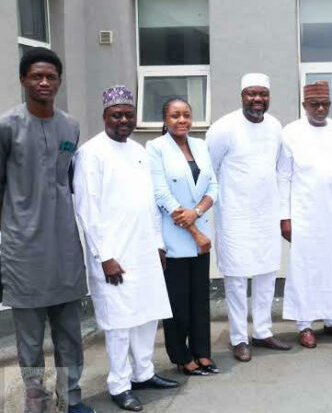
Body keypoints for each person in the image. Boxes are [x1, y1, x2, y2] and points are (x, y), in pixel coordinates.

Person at [73, 85, 178, 412]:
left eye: (128, 115)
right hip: (113, 254)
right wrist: (104, 256)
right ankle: (119, 384)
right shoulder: (90, 153)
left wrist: (158, 244)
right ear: (105, 116)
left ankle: (143, 373)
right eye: (116, 115)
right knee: (119, 323)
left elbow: (150, 203)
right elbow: (87, 209)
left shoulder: (139, 150)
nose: (123, 120)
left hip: (144, 249)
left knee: (146, 315)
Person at [0, 48, 94, 413]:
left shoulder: (70, 127)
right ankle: (36, 401)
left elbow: (66, 180)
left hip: (65, 248)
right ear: (23, 79)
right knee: (30, 340)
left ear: (59, 81)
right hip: (23, 250)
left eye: (50, 77)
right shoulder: (7, 126)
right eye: (36, 76)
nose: (44, 82)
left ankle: (70, 398)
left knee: (70, 334)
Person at [206, 73, 290, 362]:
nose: (257, 99)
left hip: (266, 212)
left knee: (267, 273)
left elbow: (277, 167)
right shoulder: (223, 128)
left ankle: (263, 332)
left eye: (262, 94)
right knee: (237, 278)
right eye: (251, 94)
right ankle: (239, 337)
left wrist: (282, 212)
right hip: (235, 214)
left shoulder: (275, 126)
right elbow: (210, 171)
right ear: (242, 95)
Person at [278, 81, 332, 348]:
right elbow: (283, 176)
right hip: (304, 214)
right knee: (305, 268)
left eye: (325, 104)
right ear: (304, 105)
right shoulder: (291, 132)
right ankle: (305, 324)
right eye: (315, 104)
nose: (321, 109)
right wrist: (285, 217)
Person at [146, 98, 219, 375]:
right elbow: (161, 193)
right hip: (175, 234)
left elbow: (213, 186)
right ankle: (181, 356)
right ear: (165, 120)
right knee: (177, 301)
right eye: (175, 116)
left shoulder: (200, 145)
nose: (181, 120)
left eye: (186, 115)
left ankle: (202, 352)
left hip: (200, 231)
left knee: (199, 299)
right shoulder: (156, 147)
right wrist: (194, 230)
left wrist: (197, 212)